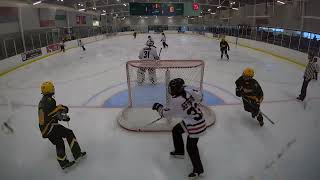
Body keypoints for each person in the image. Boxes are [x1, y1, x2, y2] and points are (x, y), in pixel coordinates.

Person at [152, 78, 206, 178]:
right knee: (176, 130)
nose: (171, 91)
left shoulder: (176, 101)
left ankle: (198, 170)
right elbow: (200, 96)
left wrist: (158, 107)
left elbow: (167, 114)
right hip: (197, 119)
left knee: (191, 148)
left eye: (172, 89)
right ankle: (179, 151)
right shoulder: (188, 89)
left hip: (195, 126)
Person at [38, 81, 86, 169]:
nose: (53, 89)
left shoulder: (42, 101)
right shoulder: (50, 100)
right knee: (69, 133)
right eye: (52, 88)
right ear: (49, 90)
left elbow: (50, 114)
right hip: (50, 127)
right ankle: (77, 154)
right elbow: (53, 113)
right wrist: (62, 108)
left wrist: (62, 117)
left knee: (59, 142)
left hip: (44, 130)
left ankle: (63, 163)